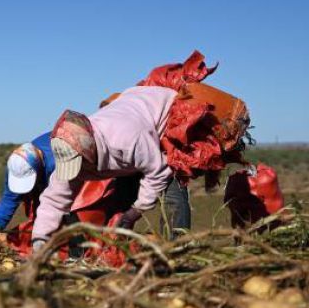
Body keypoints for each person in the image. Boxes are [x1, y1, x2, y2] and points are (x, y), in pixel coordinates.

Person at [31, 83, 250, 251]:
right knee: (119, 199)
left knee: (171, 190)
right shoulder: (71, 150)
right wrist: (39, 242)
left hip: (161, 117)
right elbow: (54, 200)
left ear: (89, 151)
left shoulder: (127, 138)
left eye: (79, 164)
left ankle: (176, 248)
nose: (76, 171)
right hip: (130, 121)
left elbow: (158, 172)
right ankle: (117, 250)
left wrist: (136, 212)